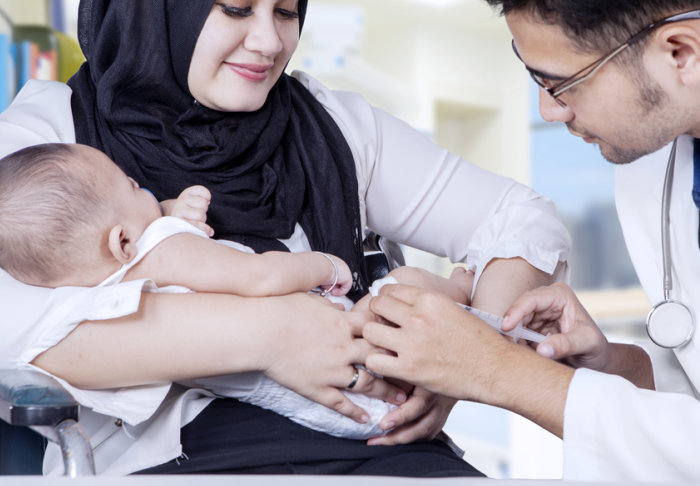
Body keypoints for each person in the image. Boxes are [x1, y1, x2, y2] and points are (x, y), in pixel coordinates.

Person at [0, 0, 571, 477]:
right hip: (180, 459)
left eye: (287, 11)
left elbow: (520, 217)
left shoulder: (332, 128)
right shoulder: (52, 143)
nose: (269, 41)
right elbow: (15, 325)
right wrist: (272, 336)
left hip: (378, 447)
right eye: (236, 9)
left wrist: (469, 354)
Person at [363, 0, 700, 482]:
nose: (548, 109)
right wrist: (619, 368)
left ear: (681, 53)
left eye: (562, 83)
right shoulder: (654, 163)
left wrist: (496, 369)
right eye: (535, 80)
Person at [0, 142, 471, 440]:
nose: (147, 191)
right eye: (134, 185)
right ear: (123, 242)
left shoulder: (99, 294)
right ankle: (462, 296)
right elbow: (260, 277)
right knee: (403, 288)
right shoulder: (165, 250)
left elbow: (156, 244)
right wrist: (323, 265)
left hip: (326, 411)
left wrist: (172, 210)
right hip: (344, 366)